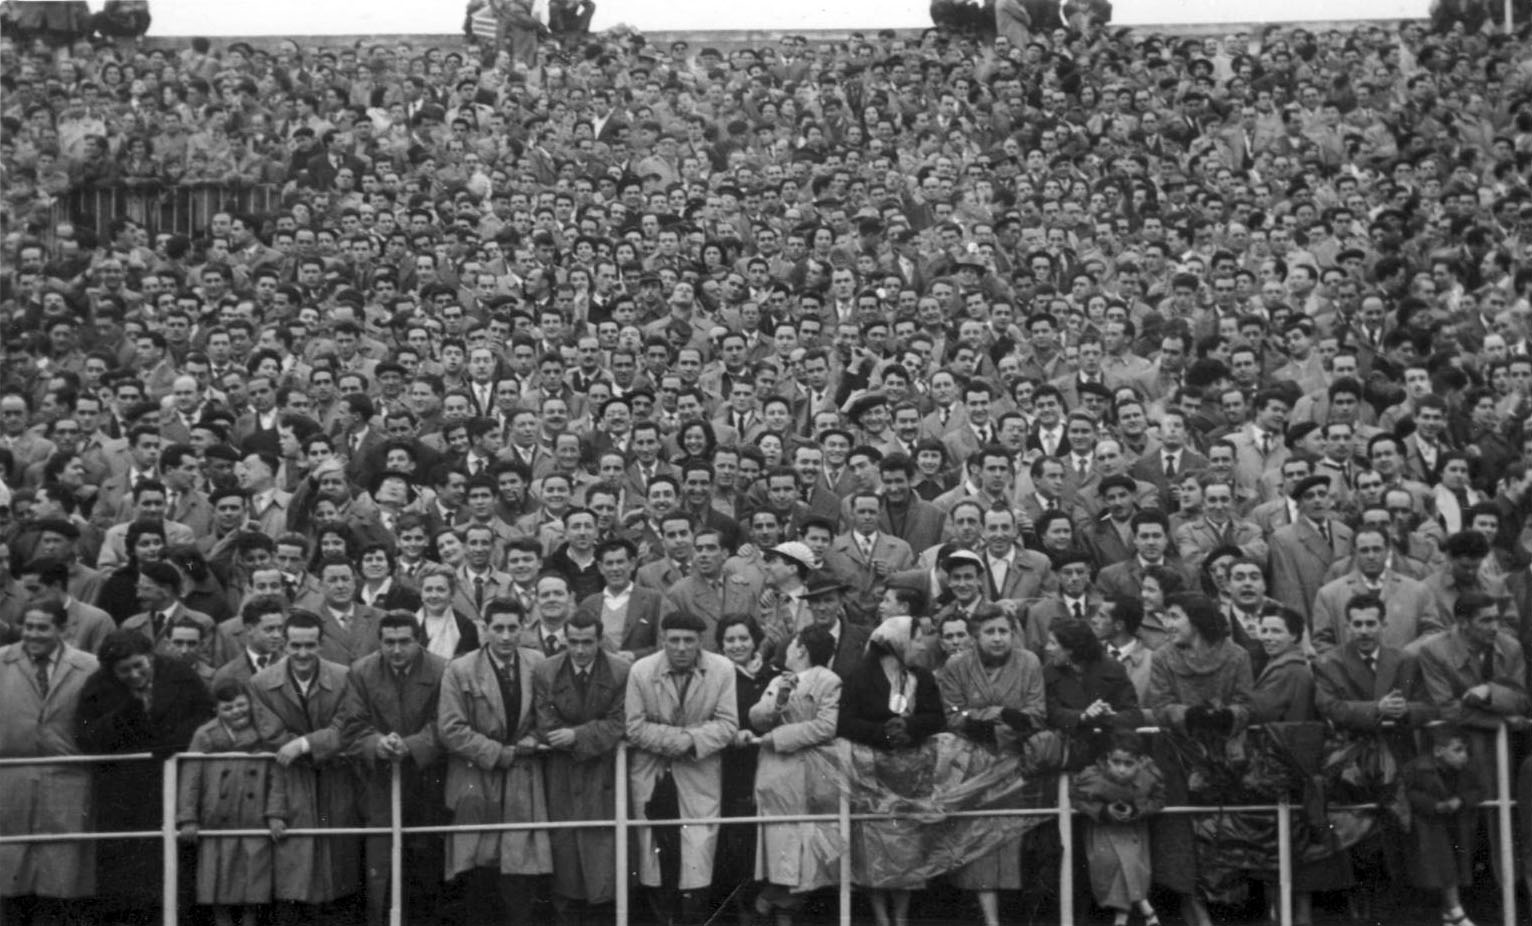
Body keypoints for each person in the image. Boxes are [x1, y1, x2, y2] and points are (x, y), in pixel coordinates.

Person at [75, 628, 213, 925]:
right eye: (125, 671)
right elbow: (86, 737)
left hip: (174, 782)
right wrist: (128, 710)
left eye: (140, 665)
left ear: (150, 656)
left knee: (177, 864)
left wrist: (168, 746)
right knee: (126, 873)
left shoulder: (181, 675)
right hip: (123, 793)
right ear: (111, 671)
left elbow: (204, 717)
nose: (135, 675)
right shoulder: (97, 685)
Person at [436, 597, 551, 925]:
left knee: (519, 864)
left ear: (523, 628)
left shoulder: (537, 663)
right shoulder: (460, 668)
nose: (505, 636)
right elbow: (450, 728)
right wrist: (498, 753)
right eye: (498, 628)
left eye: (513, 628)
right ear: (484, 628)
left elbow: (549, 713)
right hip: (476, 776)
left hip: (523, 778)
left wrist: (536, 737)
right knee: (478, 863)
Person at [1143, 592, 1255, 926]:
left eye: (1174, 616)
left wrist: (1227, 716)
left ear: (1197, 620)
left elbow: (1247, 703)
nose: (1168, 624)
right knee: (1181, 836)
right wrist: (1188, 715)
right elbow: (1160, 705)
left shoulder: (1237, 655)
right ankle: (1193, 909)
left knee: (1228, 831)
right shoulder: (1163, 657)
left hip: (1226, 754)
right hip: (1178, 755)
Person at [248, 609, 364, 920]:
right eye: (295, 645)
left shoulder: (344, 676)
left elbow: (348, 725)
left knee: (337, 864)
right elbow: (269, 732)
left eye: (310, 645)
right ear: (284, 644)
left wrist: (305, 744)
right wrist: (300, 747)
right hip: (290, 780)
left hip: (336, 778)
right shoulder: (261, 683)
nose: (302, 653)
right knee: (294, 865)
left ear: (321, 644)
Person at [625, 610, 738, 926]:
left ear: (700, 641)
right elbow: (634, 726)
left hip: (699, 772)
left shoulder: (722, 669)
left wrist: (691, 740)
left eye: (689, 640)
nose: (681, 648)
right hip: (652, 772)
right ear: (663, 639)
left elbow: (728, 724)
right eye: (674, 640)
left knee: (698, 851)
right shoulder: (641, 670)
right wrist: (672, 739)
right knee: (654, 854)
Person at [937, 602, 1046, 926]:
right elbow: (954, 716)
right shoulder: (957, 665)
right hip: (973, 765)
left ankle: (1015, 915)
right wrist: (1001, 713)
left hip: (1016, 765)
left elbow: (1035, 715)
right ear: (975, 636)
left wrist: (983, 717)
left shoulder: (1029, 662)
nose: (998, 638)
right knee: (978, 844)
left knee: (1013, 842)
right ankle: (987, 919)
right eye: (990, 632)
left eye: (1003, 631)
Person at [340, 611, 448, 926]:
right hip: (379, 781)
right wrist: (377, 744)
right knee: (381, 865)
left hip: (428, 780)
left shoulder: (442, 669)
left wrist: (413, 745)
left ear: (419, 641)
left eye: (404, 642)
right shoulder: (361, 671)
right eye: (389, 642)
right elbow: (352, 725)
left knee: (426, 864)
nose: (396, 650)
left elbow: (446, 722)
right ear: (380, 642)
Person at [836, 616, 945, 926]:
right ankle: (882, 919)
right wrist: (882, 733)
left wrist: (910, 726)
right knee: (875, 849)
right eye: (916, 639)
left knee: (907, 849)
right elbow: (845, 723)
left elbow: (937, 718)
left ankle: (902, 917)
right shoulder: (859, 676)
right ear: (897, 643)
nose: (921, 646)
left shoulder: (922, 677)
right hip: (872, 776)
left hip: (912, 776)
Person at [0, 599, 99, 926]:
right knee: (10, 871)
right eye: (28, 627)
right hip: (11, 779)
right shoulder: (2, 661)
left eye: (42, 628)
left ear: (62, 629)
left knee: (61, 872)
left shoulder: (89, 666)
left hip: (67, 778)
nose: (33, 634)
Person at [532, 610, 630, 926]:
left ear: (600, 640)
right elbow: (546, 723)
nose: (580, 650)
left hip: (604, 773)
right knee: (566, 852)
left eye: (587, 642)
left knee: (603, 853)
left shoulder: (620, 671)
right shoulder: (546, 670)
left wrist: (577, 735)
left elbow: (620, 721)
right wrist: (567, 735)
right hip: (561, 775)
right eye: (573, 642)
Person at [745, 623, 843, 924]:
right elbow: (757, 718)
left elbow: (827, 726)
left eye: (791, 645)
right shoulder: (779, 680)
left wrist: (779, 737)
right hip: (776, 779)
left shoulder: (829, 680)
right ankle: (770, 910)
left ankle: (764, 906)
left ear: (801, 649)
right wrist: (779, 700)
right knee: (782, 856)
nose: (786, 650)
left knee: (803, 860)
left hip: (811, 777)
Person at [176, 681, 288, 926]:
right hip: (216, 819)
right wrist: (188, 818)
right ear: (216, 710)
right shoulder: (205, 735)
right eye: (228, 708)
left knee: (253, 878)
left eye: (241, 705)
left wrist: (275, 813)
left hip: (253, 818)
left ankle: (249, 922)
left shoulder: (265, 734)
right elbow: (191, 777)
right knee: (217, 878)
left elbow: (277, 776)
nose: (236, 712)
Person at [713, 614, 779, 921]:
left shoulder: (773, 675)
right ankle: (742, 912)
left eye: (743, 638)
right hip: (731, 769)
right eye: (730, 640)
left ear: (755, 641)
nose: (737, 645)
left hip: (770, 767)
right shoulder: (715, 676)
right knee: (737, 843)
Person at [1069, 732, 1165, 926]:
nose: (1121, 769)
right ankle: (1144, 906)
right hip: (1103, 829)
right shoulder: (1092, 776)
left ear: (1140, 761)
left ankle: (1121, 919)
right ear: (1108, 759)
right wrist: (1102, 810)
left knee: (1129, 864)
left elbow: (1159, 799)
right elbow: (1076, 798)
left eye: (1128, 764)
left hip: (1133, 829)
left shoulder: (1149, 777)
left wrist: (1137, 809)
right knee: (1113, 866)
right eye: (1116, 762)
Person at [1403, 725, 1484, 926]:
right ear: (1439, 750)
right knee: (1444, 868)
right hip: (1428, 826)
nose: (1464, 756)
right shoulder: (1416, 769)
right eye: (1457, 750)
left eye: (1465, 750)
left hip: (1456, 825)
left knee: (1452, 868)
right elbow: (1407, 793)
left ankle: (1449, 913)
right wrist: (1433, 805)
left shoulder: (1467, 769)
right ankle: (1456, 911)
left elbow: (1479, 790)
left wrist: (1461, 800)